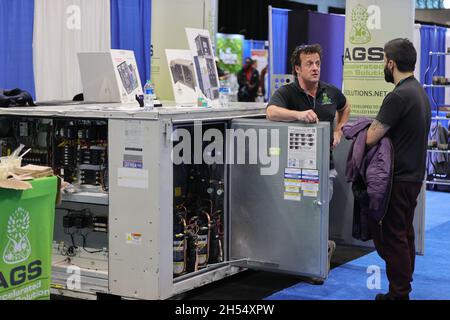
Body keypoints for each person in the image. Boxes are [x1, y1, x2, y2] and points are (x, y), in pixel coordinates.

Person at [266, 44, 351, 277]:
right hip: (295, 170)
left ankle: (317, 265)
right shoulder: (287, 92)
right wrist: (298, 115)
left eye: (317, 63)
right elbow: (271, 112)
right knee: (299, 217)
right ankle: (317, 251)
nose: (315, 68)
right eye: (309, 64)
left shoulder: (330, 92)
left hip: (325, 168)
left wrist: (338, 130)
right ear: (297, 69)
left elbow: (345, 107)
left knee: (317, 213)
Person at [365, 38, 431, 300]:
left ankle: (398, 293)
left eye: (383, 60)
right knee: (404, 232)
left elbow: (371, 136)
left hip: (399, 178)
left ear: (391, 63)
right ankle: (403, 285)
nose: (384, 65)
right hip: (413, 176)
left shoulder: (399, 95)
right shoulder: (419, 91)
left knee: (393, 236)